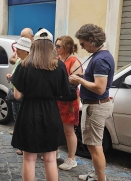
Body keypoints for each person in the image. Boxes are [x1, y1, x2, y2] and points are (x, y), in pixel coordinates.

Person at [11, 28, 70, 180]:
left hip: (29, 112)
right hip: (51, 113)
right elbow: (64, 93)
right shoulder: (60, 66)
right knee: (50, 159)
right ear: (51, 46)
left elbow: (17, 95)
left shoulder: (24, 65)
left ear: (34, 45)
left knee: (29, 158)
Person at [70, 24, 114, 181]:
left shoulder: (101, 59)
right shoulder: (100, 56)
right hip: (95, 105)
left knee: (95, 147)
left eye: (83, 44)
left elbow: (100, 88)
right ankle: (97, 175)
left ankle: (100, 179)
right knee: (94, 145)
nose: (82, 47)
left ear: (91, 40)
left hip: (96, 106)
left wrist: (80, 80)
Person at [54, 36, 82, 170]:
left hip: (69, 100)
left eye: (59, 46)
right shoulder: (59, 60)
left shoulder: (74, 61)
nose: (56, 48)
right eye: (56, 46)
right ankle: (55, 151)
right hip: (58, 98)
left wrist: (62, 79)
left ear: (67, 47)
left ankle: (72, 158)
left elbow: (77, 80)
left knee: (69, 130)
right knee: (58, 127)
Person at [6, 37, 31, 155]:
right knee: (17, 120)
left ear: (26, 51)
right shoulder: (19, 61)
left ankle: (23, 145)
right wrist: (11, 76)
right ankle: (20, 142)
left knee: (23, 121)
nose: (16, 51)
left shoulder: (28, 64)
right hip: (15, 93)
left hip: (22, 96)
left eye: (18, 49)